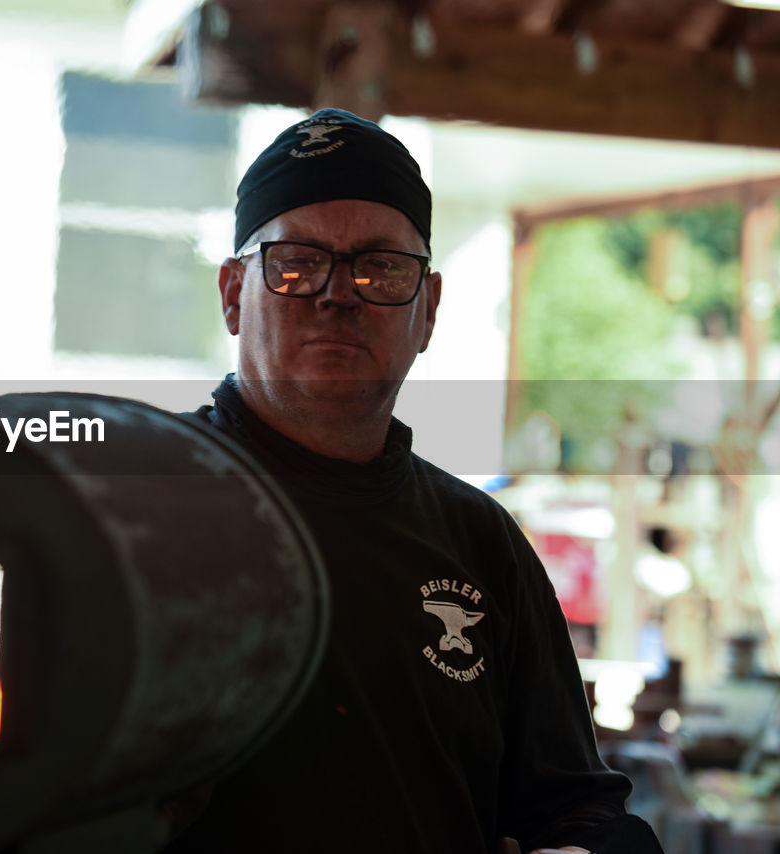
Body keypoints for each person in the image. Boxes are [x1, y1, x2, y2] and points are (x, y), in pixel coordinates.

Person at [164, 109, 663, 854]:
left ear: (427, 311)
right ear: (234, 294)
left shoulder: (478, 542)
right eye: (296, 262)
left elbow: (576, 806)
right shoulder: (139, 503)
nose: (339, 294)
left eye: (381, 268)